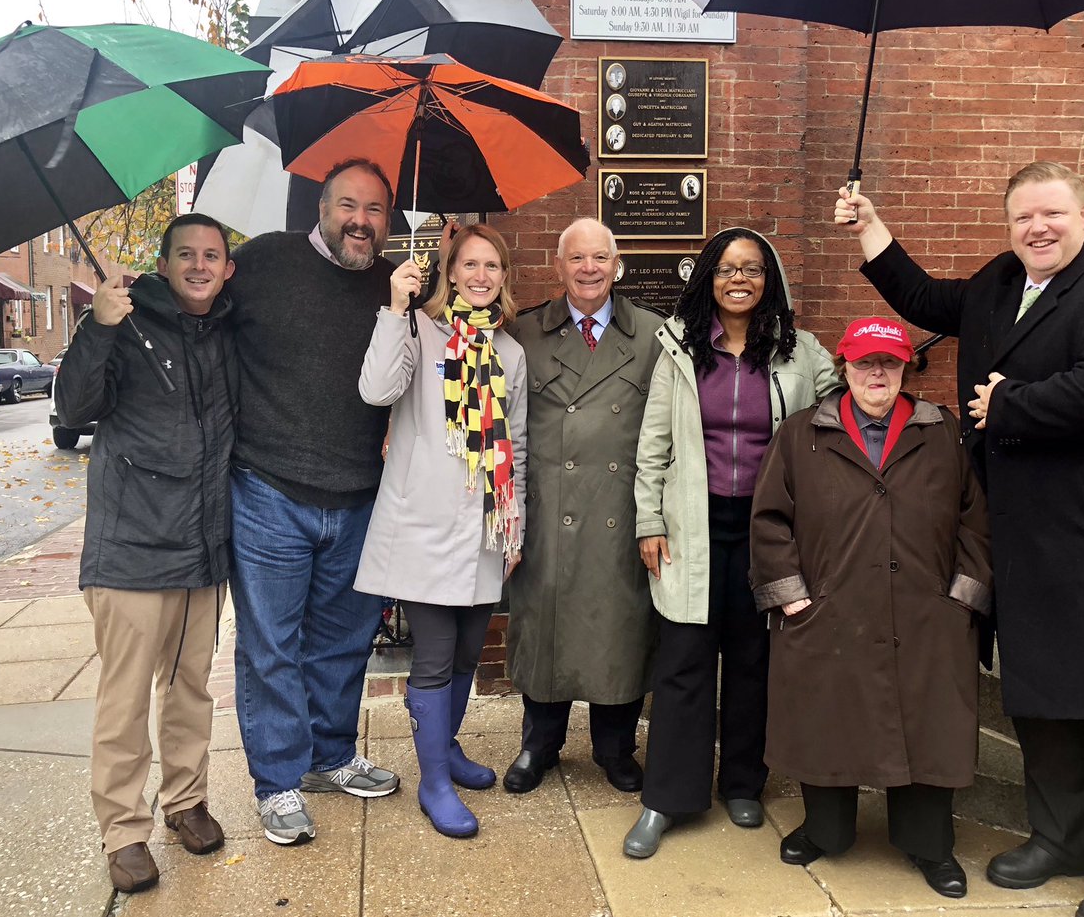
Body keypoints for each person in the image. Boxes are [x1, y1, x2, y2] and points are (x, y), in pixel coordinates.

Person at [838, 162, 1084, 917]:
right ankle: (1060, 837)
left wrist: (1011, 403)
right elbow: (921, 297)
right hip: (1015, 536)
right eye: (1022, 218)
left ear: (1082, 214)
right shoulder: (1000, 283)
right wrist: (869, 224)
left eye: (1052, 215)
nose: (1037, 229)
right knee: (1038, 694)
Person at [750, 316, 992, 899]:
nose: (876, 372)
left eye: (888, 361)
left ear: (906, 367)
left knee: (930, 726)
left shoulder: (942, 432)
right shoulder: (803, 432)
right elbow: (769, 520)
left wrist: (961, 598)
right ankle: (825, 831)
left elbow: (974, 522)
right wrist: (792, 596)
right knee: (825, 721)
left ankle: (930, 845)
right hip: (828, 610)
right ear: (845, 368)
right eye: (864, 362)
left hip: (925, 613)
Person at [623, 227, 839, 858]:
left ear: (769, 278)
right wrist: (649, 522)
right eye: (725, 269)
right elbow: (652, 448)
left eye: (751, 269)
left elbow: (839, 409)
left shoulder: (800, 353)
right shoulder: (680, 350)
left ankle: (743, 782)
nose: (738, 279)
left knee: (753, 659)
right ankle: (667, 798)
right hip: (692, 525)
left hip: (767, 529)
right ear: (708, 279)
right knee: (684, 660)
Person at [56, 214, 237, 893]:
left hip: (202, 546)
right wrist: (97, 324)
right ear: (163, 264)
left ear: (227, 268)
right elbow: (72, 408)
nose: (198, 264)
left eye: (211, 255)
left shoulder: (224, 328)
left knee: (191, 686)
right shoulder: (126, 322)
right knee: (125, 700)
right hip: (132, 546)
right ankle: (124, 830)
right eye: (185, 254)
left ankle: (185, 798)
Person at [228, 158, 401, 847]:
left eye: (375, 210)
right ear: (321, 208)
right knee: (270, 644)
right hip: (269, 489)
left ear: (389, 222)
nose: (360, 220)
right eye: (347, 206)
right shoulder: (264, 260)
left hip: (360, 493)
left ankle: (330, 754)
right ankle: (277, 783)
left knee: (343, 641)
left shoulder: (394, 286)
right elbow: (197, 301)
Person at [354, 225, 527, 837]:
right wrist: (395, 307)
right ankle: (432, 783)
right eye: (471, 265)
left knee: (465, 654)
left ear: (504, 277)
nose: (482, 276)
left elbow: (519, 444)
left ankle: (445, 749)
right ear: (450, 272)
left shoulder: (510, 352)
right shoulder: (418, 332)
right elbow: (376, 390)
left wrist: (515, 526)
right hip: (423, 523)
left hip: (485, 528)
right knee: (431, 659)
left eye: (493, 266)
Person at [503, 218, 663, 795]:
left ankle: (615, 750)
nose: (589, 269)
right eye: (577, 259)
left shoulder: (652, 334)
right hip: (549, 510)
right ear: (559, 265)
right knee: (543, 625)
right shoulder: (523, 334)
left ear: (616, 265)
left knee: (616, 630)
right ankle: (538, 745)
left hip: (619, 513)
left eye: (600, 258)